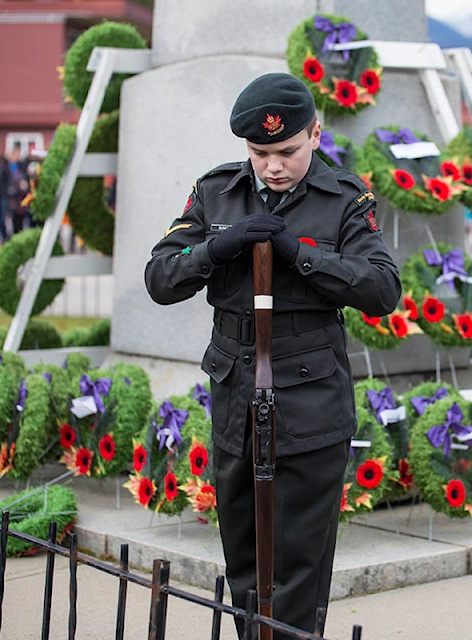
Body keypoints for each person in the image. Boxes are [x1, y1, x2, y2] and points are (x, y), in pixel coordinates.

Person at [144, 72, 400, 638]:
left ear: (315, 133)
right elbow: (160, 278)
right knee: (245, 565)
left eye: (287, 150)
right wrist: (217, 246)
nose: (273, 166)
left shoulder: (343, 200)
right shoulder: (217, 193)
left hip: (310, 408)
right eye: (260, 153)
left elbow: (382, 289)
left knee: (297, 570)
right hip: (237, 402)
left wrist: (300, 254)